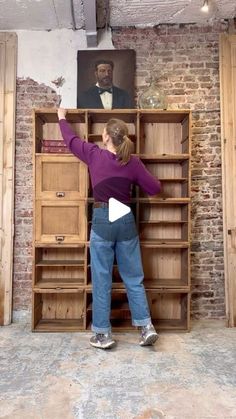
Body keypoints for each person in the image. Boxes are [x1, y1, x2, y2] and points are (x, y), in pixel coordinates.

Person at [57, 107, 161, 350]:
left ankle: (103, 335)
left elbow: (70, 140)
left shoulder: (94, 154)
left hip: (103, 217)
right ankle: (146, 328)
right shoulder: (132, 162)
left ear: (105, 137)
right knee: (134, 277)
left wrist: (61, 117)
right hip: (125, 218)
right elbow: (155, 189)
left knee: (102, 279)